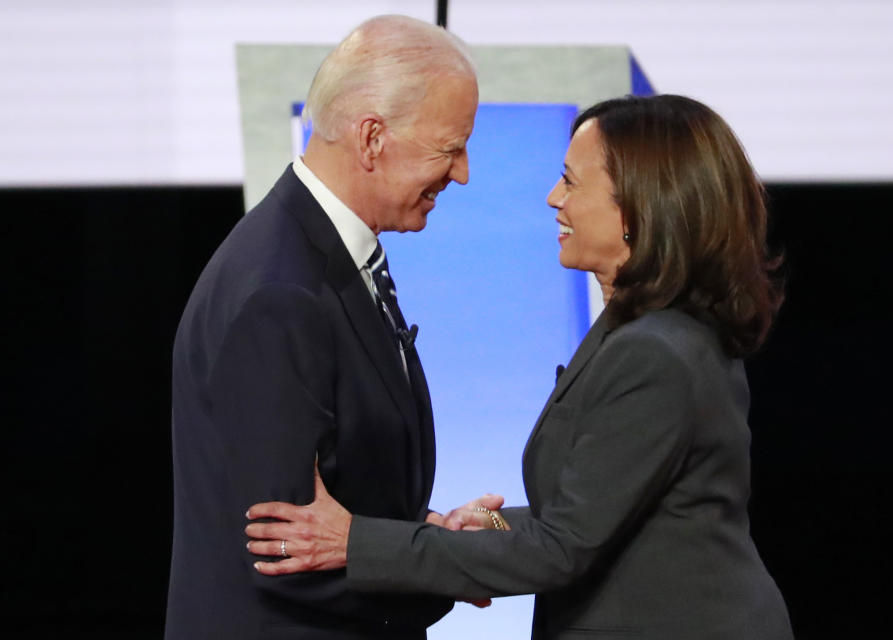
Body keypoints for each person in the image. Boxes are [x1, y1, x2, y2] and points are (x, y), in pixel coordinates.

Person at [244, 94, 795, 639]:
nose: (555, 198)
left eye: (572, 182)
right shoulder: (644, 331)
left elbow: (563, 548)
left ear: (640, 206)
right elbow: (603, 514)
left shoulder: (655, 352)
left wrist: (353, 542)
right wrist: (494, 525)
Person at [165, 15, 497, 639]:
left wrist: (425, 534)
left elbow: (344, 504)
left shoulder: (326, 256)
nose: (462, 173)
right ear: (372, 138)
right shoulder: (282, 291)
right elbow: (287, 555)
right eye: (450, 148)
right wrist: (449, 565)